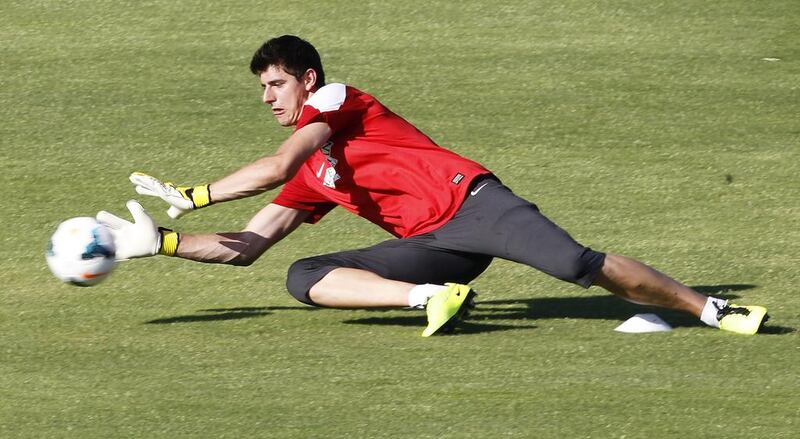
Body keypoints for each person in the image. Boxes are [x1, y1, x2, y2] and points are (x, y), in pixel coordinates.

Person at [97, 35, 768, 336]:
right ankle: (431, 297)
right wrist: (164, 240)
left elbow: (276, 163)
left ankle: (712, 308)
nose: (267, 95)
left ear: (306, 79)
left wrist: (199, 191)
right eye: (262, 88)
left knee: (576, 264)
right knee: (303, 275)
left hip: (473, 203)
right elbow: (248, 244)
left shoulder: (335, 99)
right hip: (432, 246)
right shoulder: (311, 171)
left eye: (274, 83)